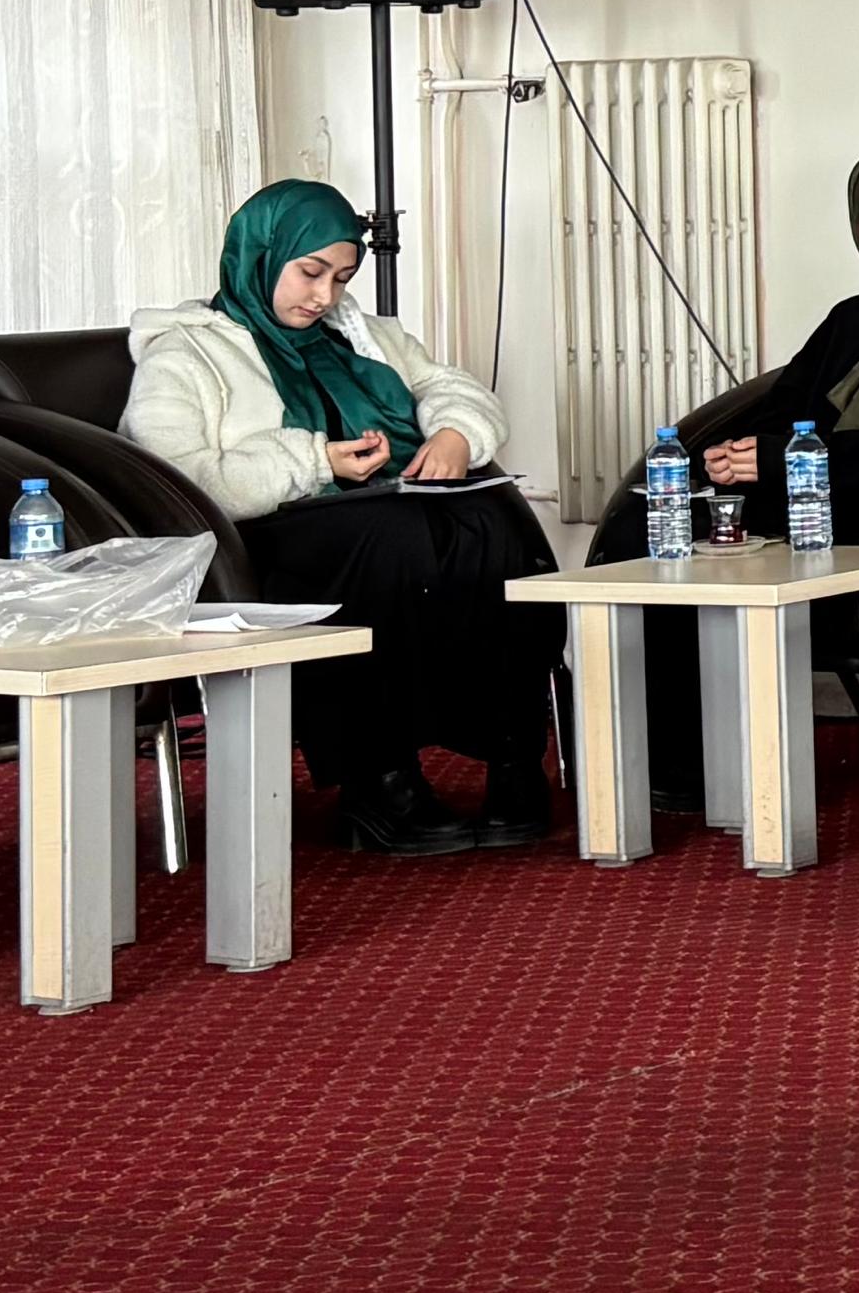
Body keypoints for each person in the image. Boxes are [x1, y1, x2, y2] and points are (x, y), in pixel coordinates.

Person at [125, 181, 562, 857]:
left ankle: (513, 759)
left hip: (377, 522)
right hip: (260, 543)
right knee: (392, 539)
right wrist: (316, 460)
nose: (324, 296)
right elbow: (178, 480)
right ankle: (379, 783)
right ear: (261, 255)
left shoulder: (363, 336)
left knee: (489, 520)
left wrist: (455, 433)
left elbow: (451, 386)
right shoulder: (185, 354)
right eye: (310, 272)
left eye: (342, 277)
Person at [623, 143, 859, 823]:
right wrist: (729, 453)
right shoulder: (852, 315)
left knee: (708, 544)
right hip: (808, 483)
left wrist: (779, 460)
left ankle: (699, 761)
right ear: (858, 229)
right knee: (651, 532)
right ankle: (665, 754)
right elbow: (787, 403)